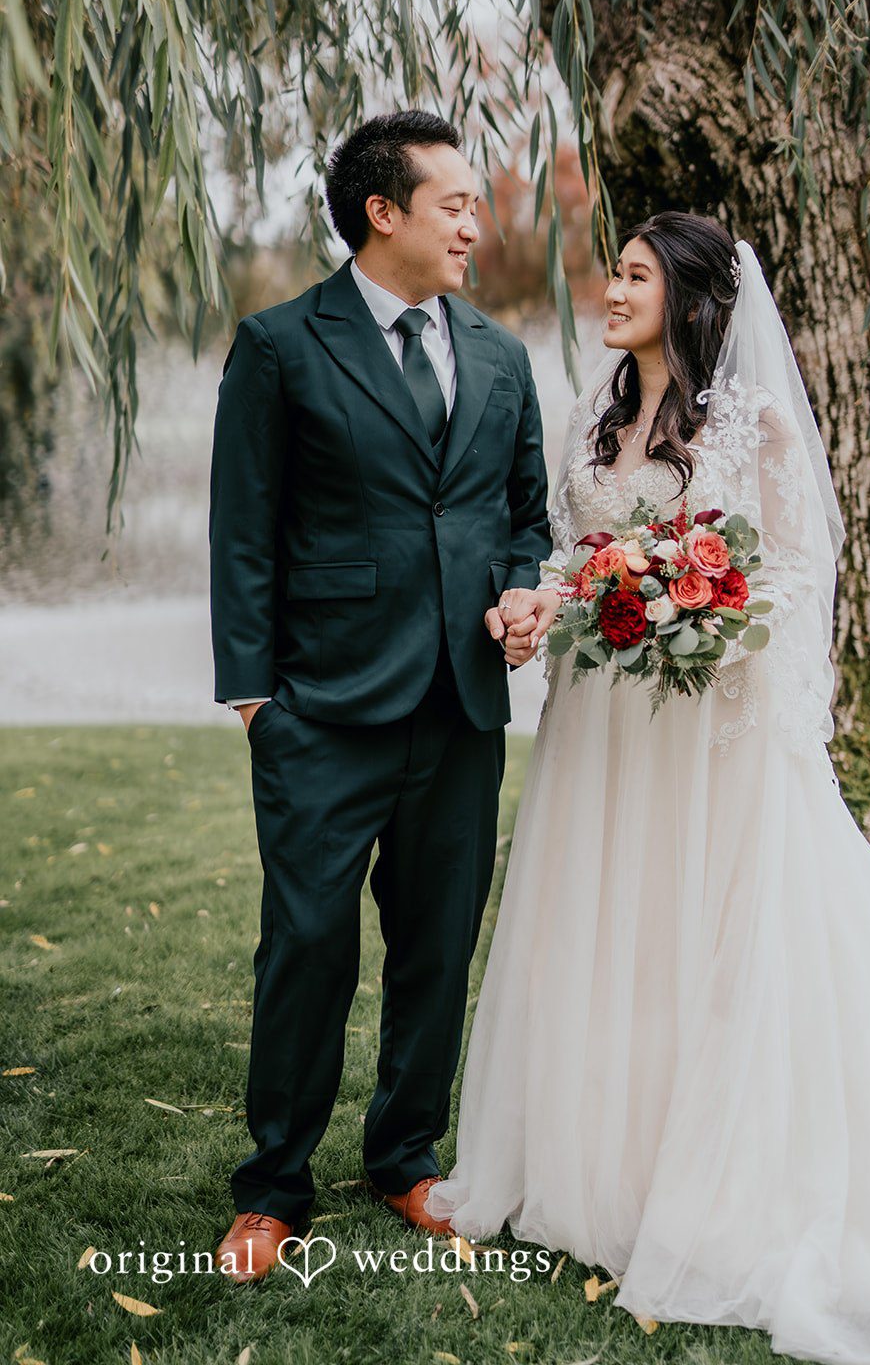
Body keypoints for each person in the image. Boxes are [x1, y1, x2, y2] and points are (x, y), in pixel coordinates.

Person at [427, 211, 870, 1364]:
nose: (611, 289)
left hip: (704, 728)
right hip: (599, 721)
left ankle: (708, 1179)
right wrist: (542, 599)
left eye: (634, 276)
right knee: (605, 927)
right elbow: (572, 556)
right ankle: (599, 1162)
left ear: (685, 297)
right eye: (614, 271)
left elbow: (792, 574)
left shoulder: (751, 423)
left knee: (699, 936)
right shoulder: (591, 415)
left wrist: (702, 619)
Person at [207, 109, 551, 1282]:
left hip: (460, 706)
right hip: (322, 706)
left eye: (474, 206)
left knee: (436, 947)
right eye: (453, 204)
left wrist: (520, 594)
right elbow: (243, 532)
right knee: (307, 945)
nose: (473, 225)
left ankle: (405, 1154)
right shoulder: (279, 346)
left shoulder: (500, 356)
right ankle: (272, 1186)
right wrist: (256, 699)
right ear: (381, 212)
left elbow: (521, 519)